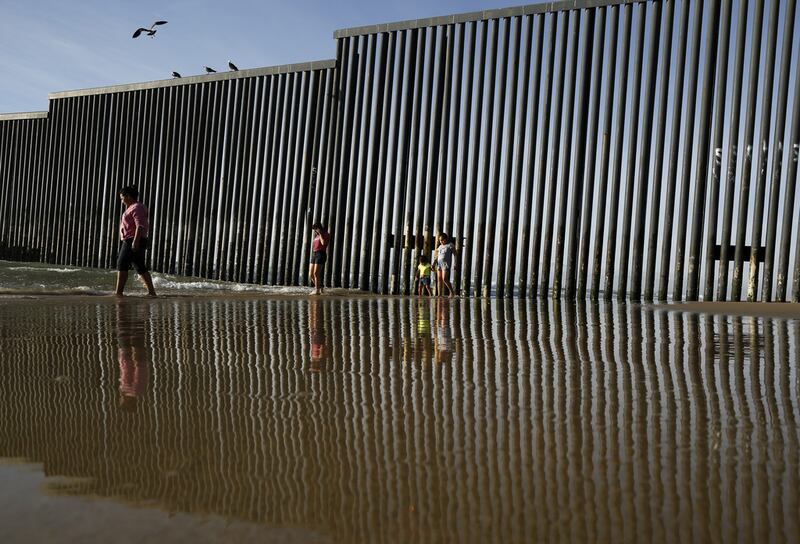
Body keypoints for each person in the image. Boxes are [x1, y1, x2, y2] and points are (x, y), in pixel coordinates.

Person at [115, 186, 157, 297]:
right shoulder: (132, 207)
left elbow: (140, 226)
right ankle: (151, 292)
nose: (121, 200)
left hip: (132, 240)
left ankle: (119, 293)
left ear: (128, 196)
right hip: (133, 239)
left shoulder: (137, 207)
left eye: (122, 198)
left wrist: (135, 242)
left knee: (122, 263)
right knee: (139, 266)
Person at [309, 222, 331, 295]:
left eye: (315, 229)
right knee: (311, 274)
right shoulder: (316, 236)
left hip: (321, 254)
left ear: (319, 228)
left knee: (316, 273)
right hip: (314, 254)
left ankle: (317, 290)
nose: (315, 231)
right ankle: (320, 288)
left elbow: (324, 243)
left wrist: (321, 234)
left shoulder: (326, 234)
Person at [435, 232, 457, 298]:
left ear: (446, 239)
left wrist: (455, 263)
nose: (441, 241)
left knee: (444, 279)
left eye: (442, 240)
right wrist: (433, 264)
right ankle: (439, 294)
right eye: (440, 240)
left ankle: (452, 292)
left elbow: (455, 254)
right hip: (439, 263)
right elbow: (437, 256)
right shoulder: (440, 246)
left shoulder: (450, 245)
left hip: (445, 264)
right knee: (439, 279)